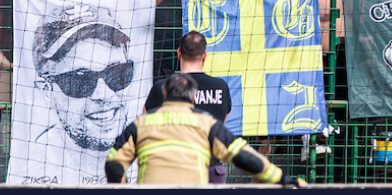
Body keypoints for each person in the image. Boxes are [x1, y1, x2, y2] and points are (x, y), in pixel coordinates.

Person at [105, 74, 306, 187]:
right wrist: (285, 180)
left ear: (164, 95)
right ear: (193, 98)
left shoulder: (141, 124)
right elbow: (245, 156)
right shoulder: (207, 124)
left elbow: (114, 163)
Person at [30, 4, 136, 168]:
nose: (103, 95)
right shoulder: (35, 163)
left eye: (117, 74)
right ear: (47, 90)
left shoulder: (149, 152)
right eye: (80, 80)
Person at [143, 31, 232, 183]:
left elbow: (146, 122)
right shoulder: (221, 87)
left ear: (179, 53)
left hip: (173, 169)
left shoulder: (162, 87)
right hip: (210, 168)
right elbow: (222, 121)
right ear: (204, 56)